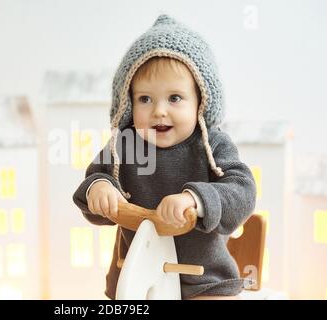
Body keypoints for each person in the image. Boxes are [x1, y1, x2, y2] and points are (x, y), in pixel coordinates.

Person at [72, 14, 256, 300]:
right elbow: (93, 180)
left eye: (174, 98)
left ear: (200, 103)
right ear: (128, 104)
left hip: (205, 280)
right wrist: (99, 188)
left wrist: (196, 200)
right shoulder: (126, 145)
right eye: (145, 99)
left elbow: (242, 191)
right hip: (136, 281)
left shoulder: (211, 145)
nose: (159, 110)